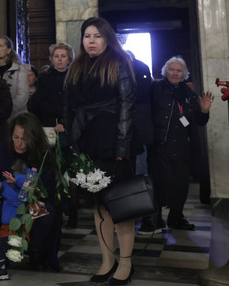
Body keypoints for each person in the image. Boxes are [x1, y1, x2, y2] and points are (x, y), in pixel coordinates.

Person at [63, 17, 137, 285]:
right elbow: (68, 108)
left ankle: (126, 264)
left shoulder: (118, 63)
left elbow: (127, 107)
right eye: (86, 36)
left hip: (112, 140)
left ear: (107, 39)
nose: (91, 41)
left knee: (121, 204)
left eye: (96, 36)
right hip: (87, 142)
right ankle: (107, 260)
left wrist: (122, 145)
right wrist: (72, 140)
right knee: (100, 205)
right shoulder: (76, 67)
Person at [0, 113, 59, 272]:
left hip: (32, 201)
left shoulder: (42, 155)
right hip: (7, 201)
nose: (19, 143)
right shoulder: (2, 151)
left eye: (24, 139)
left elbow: (48, 188)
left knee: (46, 212)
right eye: (16, 137)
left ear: (34, 138)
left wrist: (36, 192)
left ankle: (36, 252)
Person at [144, 56, 212, 232]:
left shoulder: (189, 94)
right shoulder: (155, 87)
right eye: (172, 69)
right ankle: (155, 218)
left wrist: (204, 110)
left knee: (180, 184)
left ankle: (176, 217)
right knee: (158, 182)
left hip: (182, 146)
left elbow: (199, 121)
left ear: (184, 74)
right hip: (159, 145)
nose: (175, 73)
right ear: (166, 71)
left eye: (179, 70)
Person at [28, 42, 76, 228]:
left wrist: (66, 123)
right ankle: (47, 213)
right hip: (48, 130)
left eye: (63, 56)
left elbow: (76, 105)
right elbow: (37, 104)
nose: (60, 59)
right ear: (51, 58)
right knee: (46, 173)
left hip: (68, 132)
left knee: (68, 175)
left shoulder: (75, 77)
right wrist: (53, 116)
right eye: (56, 56)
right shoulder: (45, 78)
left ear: (69, 59)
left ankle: (71, 213)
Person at [0, 36, 30, 118]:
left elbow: (23, 95)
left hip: (15, 115)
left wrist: (5, 109)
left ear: (9, 50)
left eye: (0, 46)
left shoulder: (20, 69)